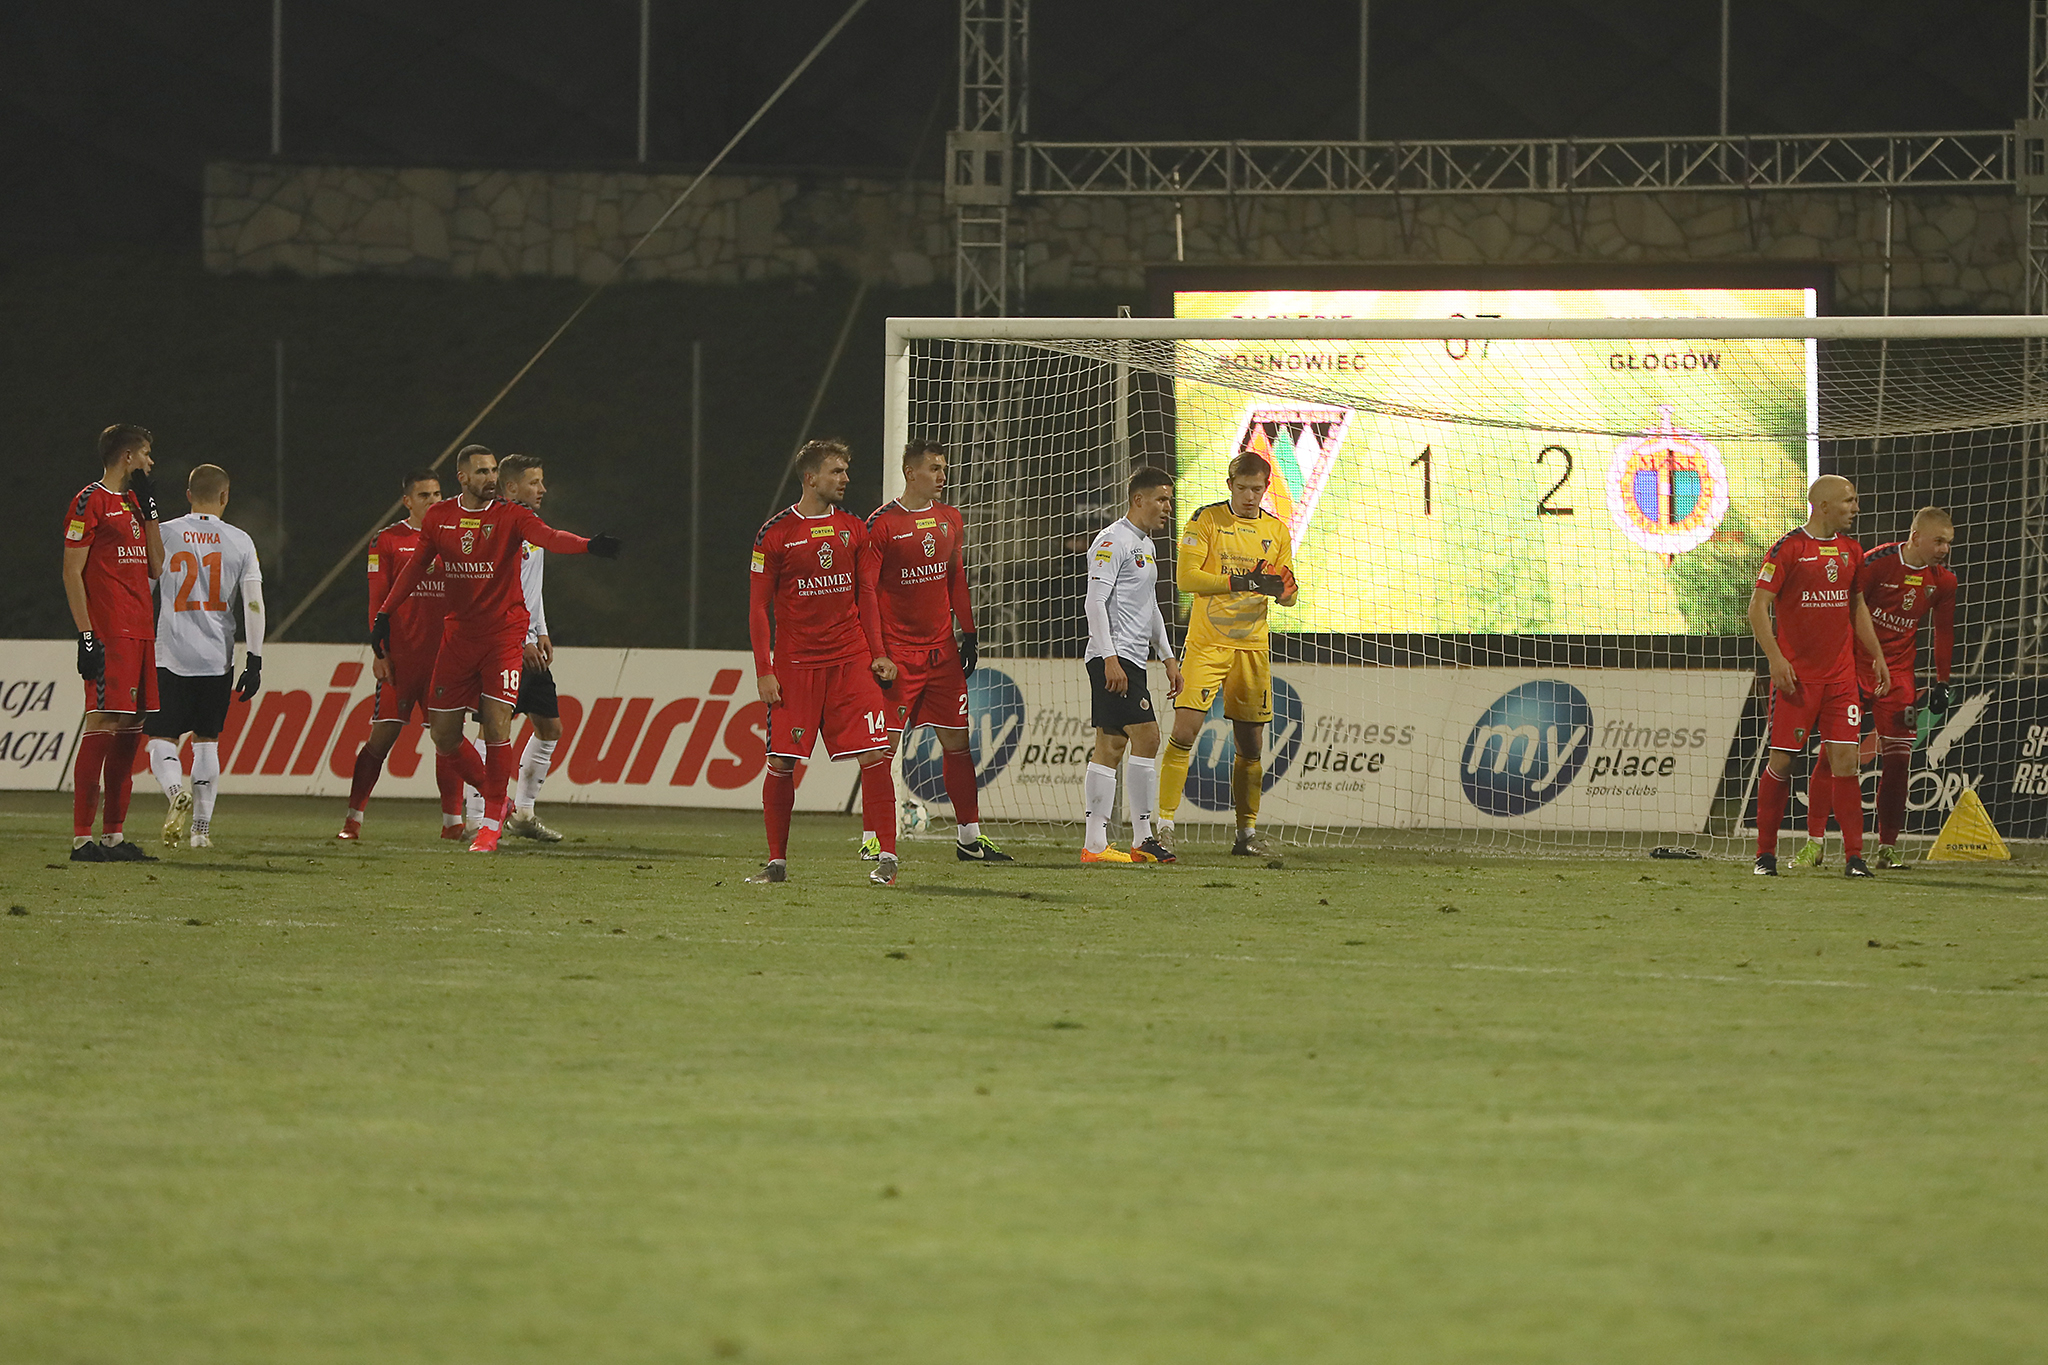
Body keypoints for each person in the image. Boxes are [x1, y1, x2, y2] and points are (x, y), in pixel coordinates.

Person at [371, 444, 621, 852]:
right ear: (462, 477)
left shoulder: (511, 515)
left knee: (497, 723)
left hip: (505, 636)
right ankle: (499, 801)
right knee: (444, 735)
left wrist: (588, 545)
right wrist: (384, 614)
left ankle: (489, 825)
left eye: (492, 471)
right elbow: (416, 566)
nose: (490, 478)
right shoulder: (441, 517)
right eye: (482, 472)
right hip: (458, 637)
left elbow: (550, 537)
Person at [747, 439, 901, 886]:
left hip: (850, 660)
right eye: (836, 471)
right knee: (782, 763)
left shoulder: (853, 528)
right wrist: (764, 670)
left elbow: (866, 595)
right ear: (811, 478)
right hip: (796, 667)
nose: (845, 478)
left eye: (846, 470)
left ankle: (888, 858)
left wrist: (878, 653)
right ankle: (776, 864)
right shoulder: (774, 534)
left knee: (875, 753)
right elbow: (758, 607)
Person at [863, 440, 1011, 863]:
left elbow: (955, 577)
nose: (942, 475)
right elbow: (866, 591)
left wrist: (969, 633)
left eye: (944, 468)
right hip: (898, 656)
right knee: (882, 748)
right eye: (934, 468)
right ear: (910, 473)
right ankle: (872, 837)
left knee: (958, 742)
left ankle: (969, 838)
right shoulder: (882, 524)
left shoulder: (950, 518)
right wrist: (877, 652)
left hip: (942, 652)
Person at [1154, 451, 1298, 859]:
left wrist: (1286, 593)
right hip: (1207, 644)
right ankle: (1163, 827)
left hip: (1251, 648)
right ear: (1230, 485)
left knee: (1251, 746)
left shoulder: (1277, 531)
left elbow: (1288, 595)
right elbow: (1186, 578)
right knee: (1184, 733)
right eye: (1243, 488)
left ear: (1266, 489)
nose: (1250, 496)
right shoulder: (1206, 520)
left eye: (1257, 489)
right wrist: (1241, 581)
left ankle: (1246, 835)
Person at [1747, 474, 1891, 878]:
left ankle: (1854, 858)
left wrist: (1876, 655)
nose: (1855, 507)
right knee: (1781, 763)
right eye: (1849, 500)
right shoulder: (1790, 548)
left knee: (1846, 762)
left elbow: (1856, 607)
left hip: (1840, 680)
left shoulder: (1852, 551)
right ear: (1824, 506)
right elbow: (1757, 607)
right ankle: (1765, 855)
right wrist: (1776, 659)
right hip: (1797, 680)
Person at [143, 464, 264, 849]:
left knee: (160, 739)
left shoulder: (164, 533)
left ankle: (175, 790)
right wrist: (255, 658)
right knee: (207, 742)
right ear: (225, 496)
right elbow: (253, 604)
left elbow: (142, 592)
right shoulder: (240, 541)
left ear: (188, 494)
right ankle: (200, 831)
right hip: (216, 658)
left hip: (169, 655)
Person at [62, 424, 166, 863]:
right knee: (103, 721)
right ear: (127, 456)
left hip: (142, 630)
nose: (150, 461)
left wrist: (152, 512)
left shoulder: (137, 504)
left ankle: (114, 836)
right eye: (146, 453)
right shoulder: (90, 500)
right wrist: (86, 634)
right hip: (110, 630)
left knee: (132, 726)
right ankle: (81, 839)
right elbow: (71, 571)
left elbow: (157, 566)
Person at [338, 468, 461, 841]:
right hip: (402, 660)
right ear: (407, 501)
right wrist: (380, 651)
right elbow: (377, 599)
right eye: (424, 495)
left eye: (438, 494)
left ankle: (453, 824)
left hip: (444, 660)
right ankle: (352, 820)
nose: (433, 501)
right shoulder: (388, 540)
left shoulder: (457, 538)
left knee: (447, 741)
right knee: (382, 737)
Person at [1080, 467, 1184, 864]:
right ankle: (1142, 837)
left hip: (1132, 657)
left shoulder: (1146, 545)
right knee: (1149, 736)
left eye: (1169, 500)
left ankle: (1095, 845)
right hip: (1115, 656)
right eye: (1161, 499)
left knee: (1111, 746)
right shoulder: (1112, 541)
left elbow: (1150, 607)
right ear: (1138, 500)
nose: (1168, 507)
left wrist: (1168, 657)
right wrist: (1109, 658)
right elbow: (1094, 602)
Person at [1854, 506, 1960, 869]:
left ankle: (1887, 847)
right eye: (1939, 541)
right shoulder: (1876, 563)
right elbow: (1849, 610)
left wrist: (1942, 681)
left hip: (1899, 678)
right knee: (1837, 757)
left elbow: (1943, 631)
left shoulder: (1944, 581)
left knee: (1899, 761)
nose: (1945, 549)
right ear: (1915, 537)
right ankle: (1817, 841)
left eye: (1948, 542)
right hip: (1856, 668)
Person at [497, 453, 566, 843]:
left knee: (549, 726)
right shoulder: (499, 526)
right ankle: (478, 818)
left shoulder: (531, 527)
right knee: (494, 727)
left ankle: (522, 814)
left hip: (527, 638)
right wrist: (522, 638)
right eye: (534, 482)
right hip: (504, 642)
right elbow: (502, 589)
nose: (542, 489)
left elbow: (530, 586)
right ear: (512, 488)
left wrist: (541, 630)